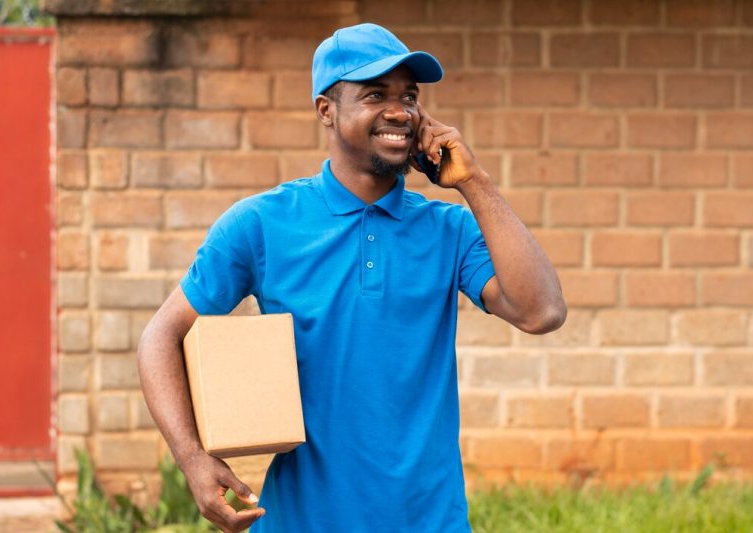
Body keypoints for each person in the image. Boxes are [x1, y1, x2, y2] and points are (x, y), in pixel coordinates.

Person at [137, 22, 566, 533]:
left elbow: (541, 312)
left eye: (409, 96)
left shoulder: (448, 228)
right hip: (302, 521)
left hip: (430, 521)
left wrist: (475, 183)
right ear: (327, 110)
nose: (399, 111)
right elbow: (160, 336)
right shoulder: (261, 224)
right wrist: (191, 456)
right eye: (374, 94)